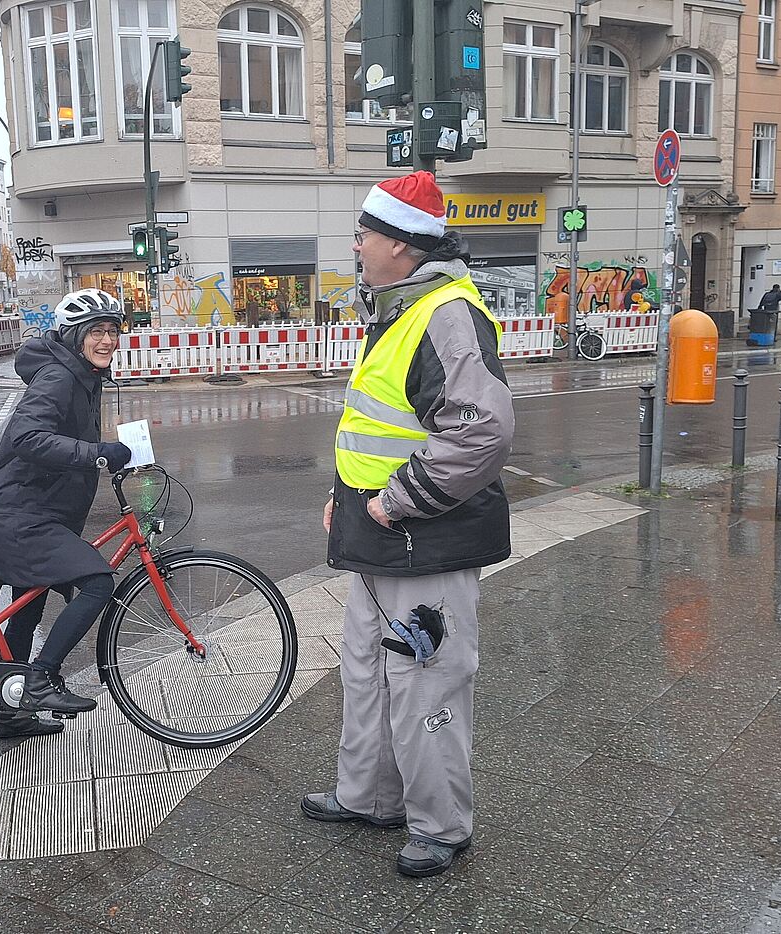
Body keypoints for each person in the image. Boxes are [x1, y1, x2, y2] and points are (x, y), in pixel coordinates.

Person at [303, 171, 514, 879]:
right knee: (367, 671)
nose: (357, 243)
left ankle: (442, 826)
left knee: (426, 682)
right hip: (383, 534)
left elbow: (480, 432)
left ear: (398, 243)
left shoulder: (445, 312)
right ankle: (370, 797)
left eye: (365, 232)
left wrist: (395, 501)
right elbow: (384, 423)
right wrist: (350, 495)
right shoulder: (403, 305)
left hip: (424, 536)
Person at [0, 288, 132, 738]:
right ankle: (41, 678)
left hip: (38, 505)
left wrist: (111, 456)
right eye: (96, 332)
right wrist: (96, 454)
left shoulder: (81, 374)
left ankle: (11, 715)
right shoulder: (59, 378)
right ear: (74, 337)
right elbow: (28, 437)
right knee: (97, 581)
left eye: (112, 331)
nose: (106, 340)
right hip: (24, 511)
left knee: (27, 612)